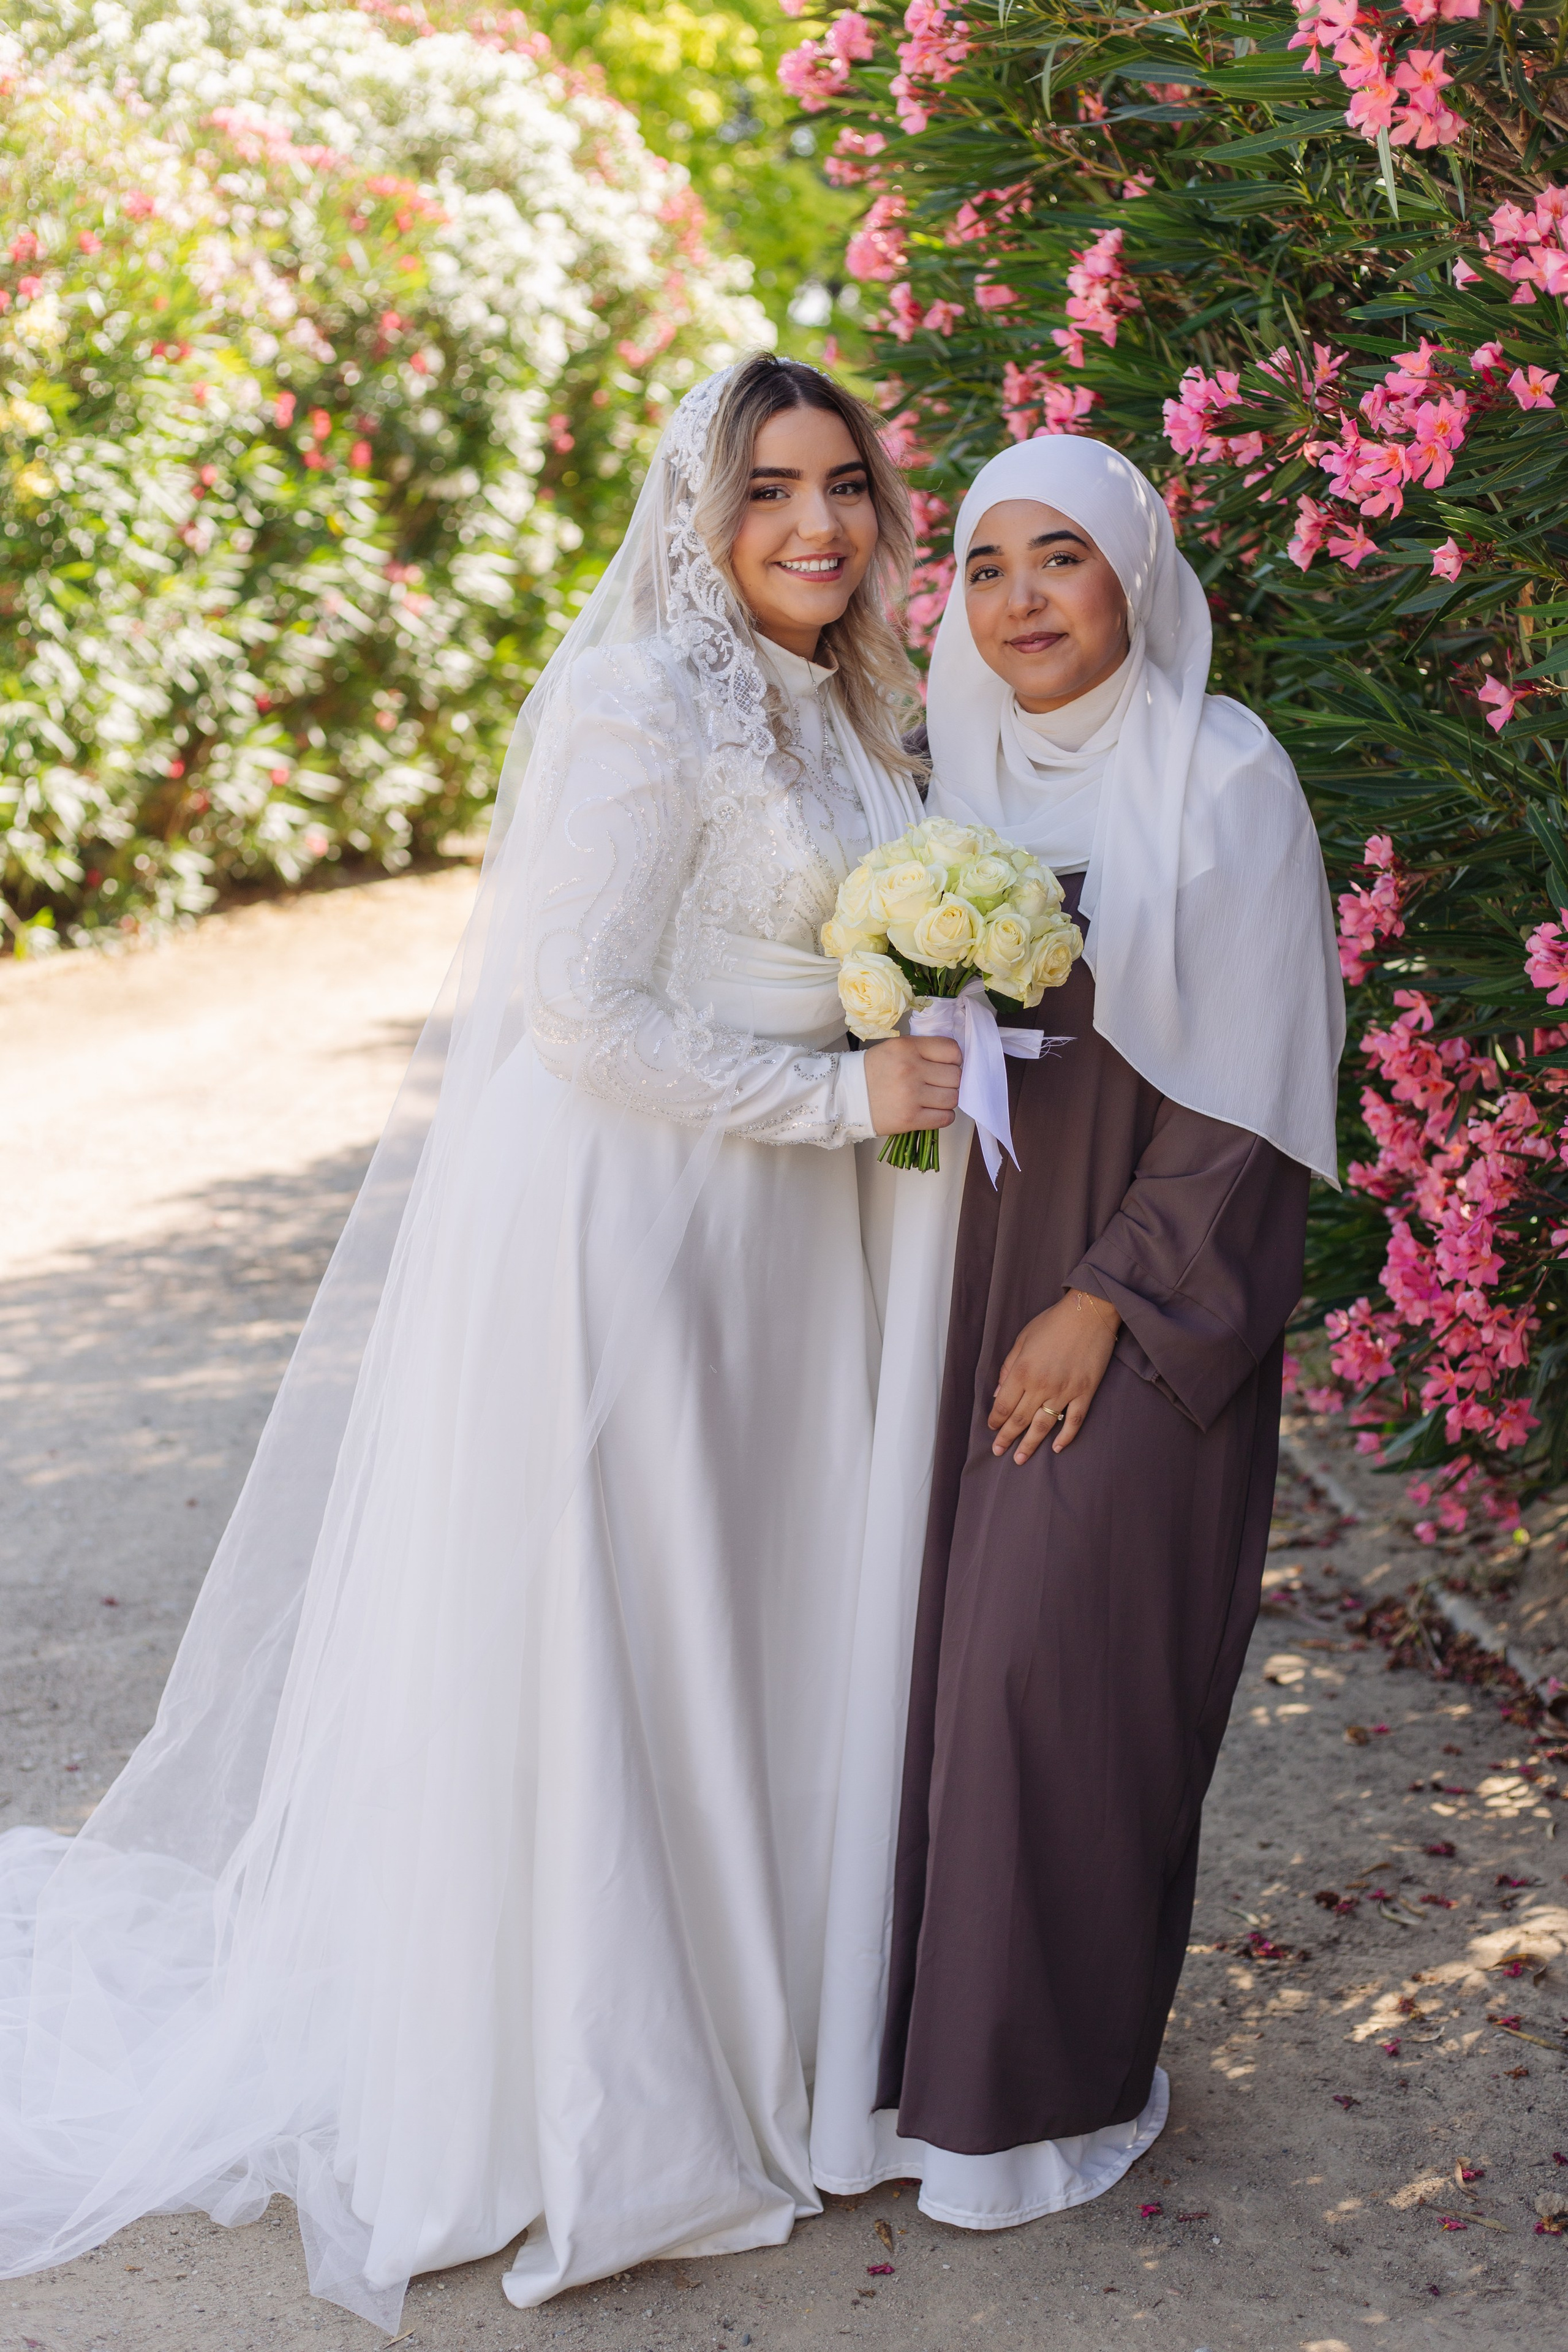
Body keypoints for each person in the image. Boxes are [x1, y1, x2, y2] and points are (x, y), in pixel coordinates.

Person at [0, 356, 968, 2328]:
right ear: (696, 517)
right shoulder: (636, 704)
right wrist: (837, 1105)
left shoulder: (864, 703)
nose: (815, 523)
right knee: (634, 1621)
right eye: (769, 488)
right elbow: (582, 1012)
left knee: (767, 1611)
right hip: (655, 1229)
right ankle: (600, 2086)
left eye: (844, 484)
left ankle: (775, 2030)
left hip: (810, 1243)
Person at [815, 435, 1344, 2228]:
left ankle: (1029, 2101)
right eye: (989, 565)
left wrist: (1105, 1301)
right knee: (914, 1675)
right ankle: (896, 2082)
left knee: (1056, 1676)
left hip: (1124, 1297)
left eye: (1067, 560)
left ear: (1136, 576)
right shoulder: (941, 767)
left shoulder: (1225, 780)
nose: (1026, 600)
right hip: (941, 1284)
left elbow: (1254, 1100)